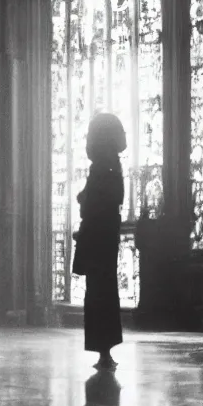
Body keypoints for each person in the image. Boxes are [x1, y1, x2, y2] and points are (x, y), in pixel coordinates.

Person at [72, 112, 126, 370]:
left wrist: (83, 198)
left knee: (97, 294)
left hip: (97, 238)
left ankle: (103, 351)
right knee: (105, 292)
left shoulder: (102, 167)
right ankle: (105, 351)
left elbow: (93, 201)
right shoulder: (112, 165)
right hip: (105, 237)